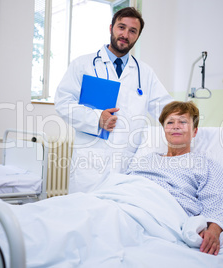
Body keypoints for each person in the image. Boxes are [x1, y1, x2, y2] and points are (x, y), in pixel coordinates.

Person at [54, 7, 173, 194]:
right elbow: (63, 103)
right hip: (90, 164)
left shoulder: (145, 73)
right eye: (121, 27)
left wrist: (186, 121)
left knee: (117, 218)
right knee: (84, 216)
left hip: (126, 165)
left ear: (137, 36)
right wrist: (96, 118)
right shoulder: (83, 64)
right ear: (111, 28)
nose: (125, 34)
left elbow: (165, 108)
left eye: (132, 31)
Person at [126, 101, 223, 255]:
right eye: (170, 122)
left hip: (163, 215)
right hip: (129, 206)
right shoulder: (147, 159)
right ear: (164, 130)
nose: (176, 126)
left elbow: (218, 201)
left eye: (182, 122)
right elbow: (124, 185)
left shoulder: (204, 164)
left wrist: (214, 231)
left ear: (195, 131)